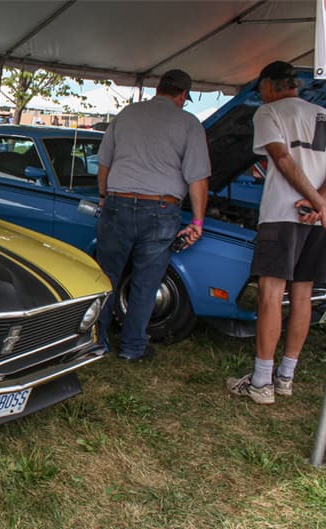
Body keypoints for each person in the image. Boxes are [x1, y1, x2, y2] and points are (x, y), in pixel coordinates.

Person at [226, 61, 326, 404]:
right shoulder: (322, 113)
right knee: (302, 296)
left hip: (282, 215)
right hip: (316, 222)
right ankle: (286, 377)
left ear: (269, 84)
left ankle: (261, 383)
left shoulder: (267, 113)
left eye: (260, 88)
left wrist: (313, 201)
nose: (260, 93)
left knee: (271, 294)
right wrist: (320, 205)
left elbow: (282, 160)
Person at [95, 69, 210, 360]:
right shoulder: (188, 123)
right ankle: (132, 347)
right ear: (183, 95)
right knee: (147, 281)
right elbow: (197, 178)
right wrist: (197, 221)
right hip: (160, 209)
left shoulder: (127, 114)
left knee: (105, 277)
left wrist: (104, 197)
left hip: (117, 202)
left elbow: (104, 164)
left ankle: (97, 340)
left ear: (158, 88)